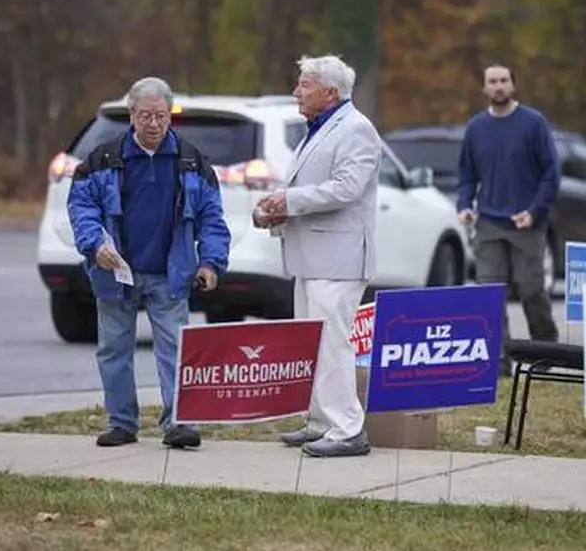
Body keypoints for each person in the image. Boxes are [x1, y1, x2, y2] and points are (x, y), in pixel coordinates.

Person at [68, 76, 231, 449]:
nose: (153, 123)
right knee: (113, 348)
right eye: (145, 116)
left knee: (175, 347)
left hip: (170, 273)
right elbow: (81, 207)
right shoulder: (102, 159)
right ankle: (122, 422)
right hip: (115, 272)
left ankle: (178, 423)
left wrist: (210, 263)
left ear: (170, 116)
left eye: (160, 116)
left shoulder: (192, 162)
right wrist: (96, 245)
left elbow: (212, 218)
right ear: (132, 115)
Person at [254, 54, 379, 458]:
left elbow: (346, 188)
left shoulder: (356, 129)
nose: (296, 92)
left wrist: (287, 201)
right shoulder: (319, 129)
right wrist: (275, 212)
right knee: (312, 343)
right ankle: (322, 422)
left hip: (339, 260)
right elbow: (313, 187)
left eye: (305, 85)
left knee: (332, 345)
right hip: (314, 258)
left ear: (331, 92)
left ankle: (348, 430)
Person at [455, 64, 560, 342]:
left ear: (513, 86)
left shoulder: (533, 123)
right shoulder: (476, 128)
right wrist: (464, 205)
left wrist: (535, 211)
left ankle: (546, 352)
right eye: (492, 81)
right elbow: (466, 173)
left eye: (503, 81)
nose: (498, 86)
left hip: (526, 223)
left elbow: (551, 173)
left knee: (531, 290)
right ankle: (498, 362)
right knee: (489, 294)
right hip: (488, 223)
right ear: (484, 88)